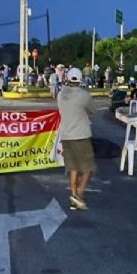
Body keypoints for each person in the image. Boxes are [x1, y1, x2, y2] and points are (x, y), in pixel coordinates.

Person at [57, 67, 96, 211]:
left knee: (73, 168)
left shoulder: (61, 95)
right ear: (80, 80)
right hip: (81, 136)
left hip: (66, 136)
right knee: (88, 168)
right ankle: (79, 194)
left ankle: (74, 198)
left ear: (67, 78)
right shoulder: (84, 95)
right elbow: (92, 111)